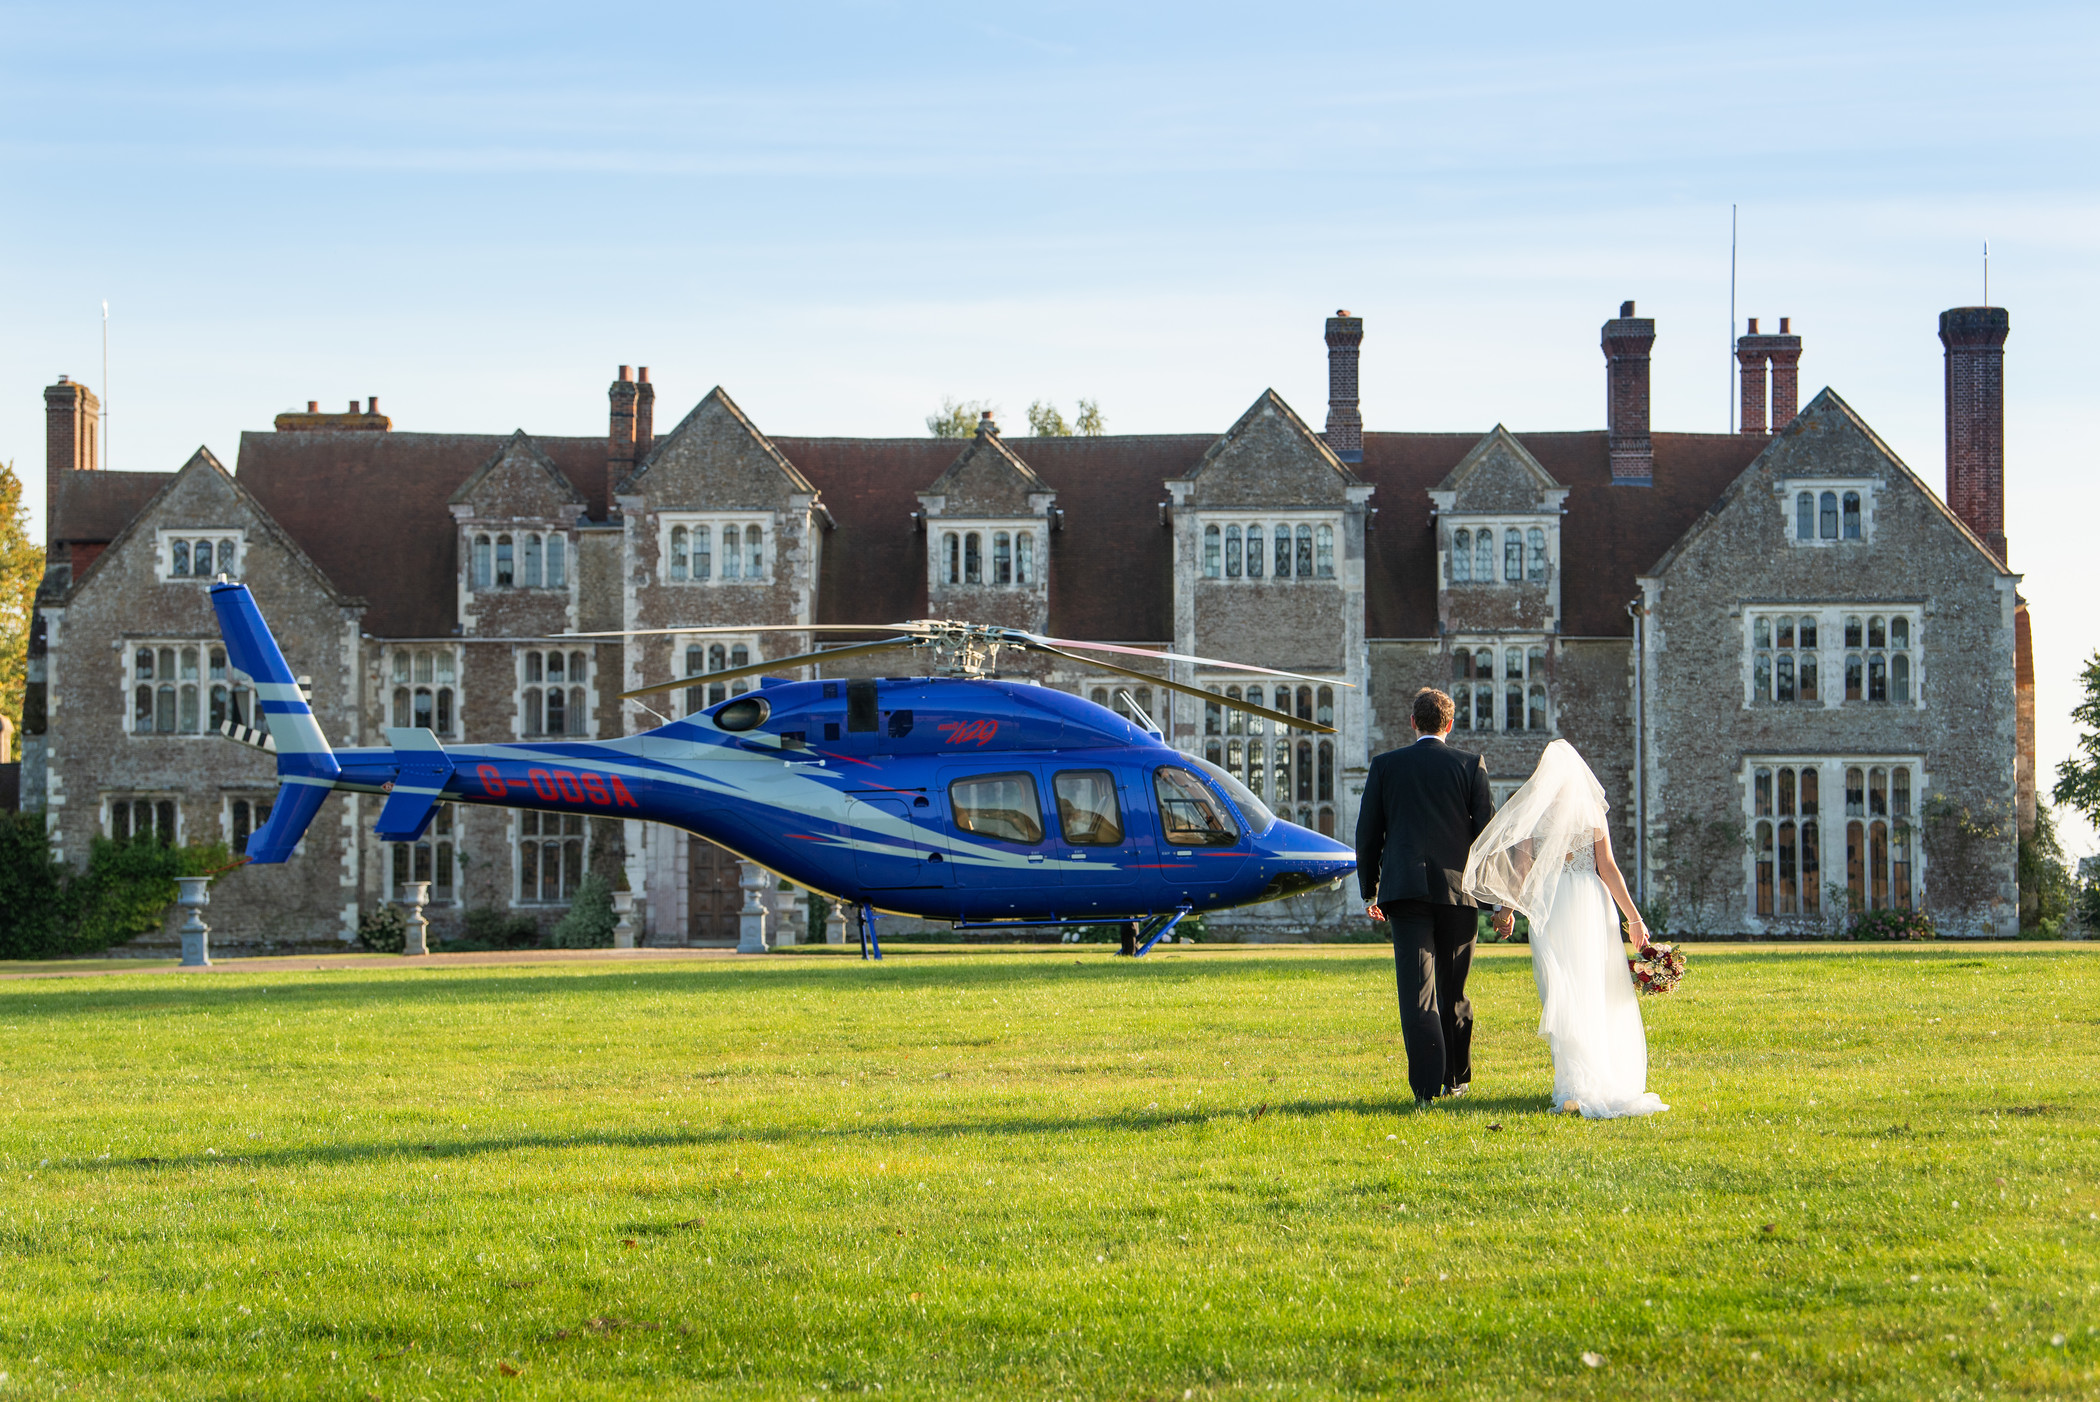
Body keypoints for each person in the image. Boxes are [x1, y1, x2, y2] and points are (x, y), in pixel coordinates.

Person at [1463, 739, 1667, 1119]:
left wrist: (1507, 912)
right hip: (1590, 902)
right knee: (1594, 987)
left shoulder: (1535, 815)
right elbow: (1607, 869)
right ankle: (1592, 1079)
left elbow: (1521, 873)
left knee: (1563, 991)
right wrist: (1634, 919)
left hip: (1552, 907)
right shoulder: (1591, 813)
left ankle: (1576, 1083)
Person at [1356, 687, 1512, 1106]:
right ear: (1450, 723)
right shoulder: (1469, 764)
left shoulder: (1386, 766)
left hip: (1404, 894)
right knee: (1453, 990)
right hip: (1459, 894)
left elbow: (1368, 834)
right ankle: (1456, 1079)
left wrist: (1370, 890)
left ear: (1413, 723)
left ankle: (1426, 1090)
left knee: (1417, 992)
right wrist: (1498, 902)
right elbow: (1488, 838)